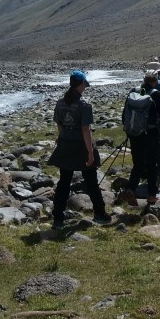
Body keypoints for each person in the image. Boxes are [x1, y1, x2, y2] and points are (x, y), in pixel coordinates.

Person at [47, 70, 112, 229]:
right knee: (91, 181)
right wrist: (90, 153)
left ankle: (58, 219)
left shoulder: (60, 102)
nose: (85, 87)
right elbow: (85, 130)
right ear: (81, 84)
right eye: (84, 84)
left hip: (65, 145)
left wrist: (63, 141)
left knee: (64, 182)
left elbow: (60, 125)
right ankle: (100, 214)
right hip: (82, 147)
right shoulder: (84, 105)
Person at [122, 69, 160, 207]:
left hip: (135, 135)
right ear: (154, 82)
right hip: (151, 134)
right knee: (152, 164)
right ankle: (152, 195)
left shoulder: (135, 92)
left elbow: (125, 114)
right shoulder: (155, 94)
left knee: (138, 165)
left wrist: (129, 130)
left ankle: (130, 189)